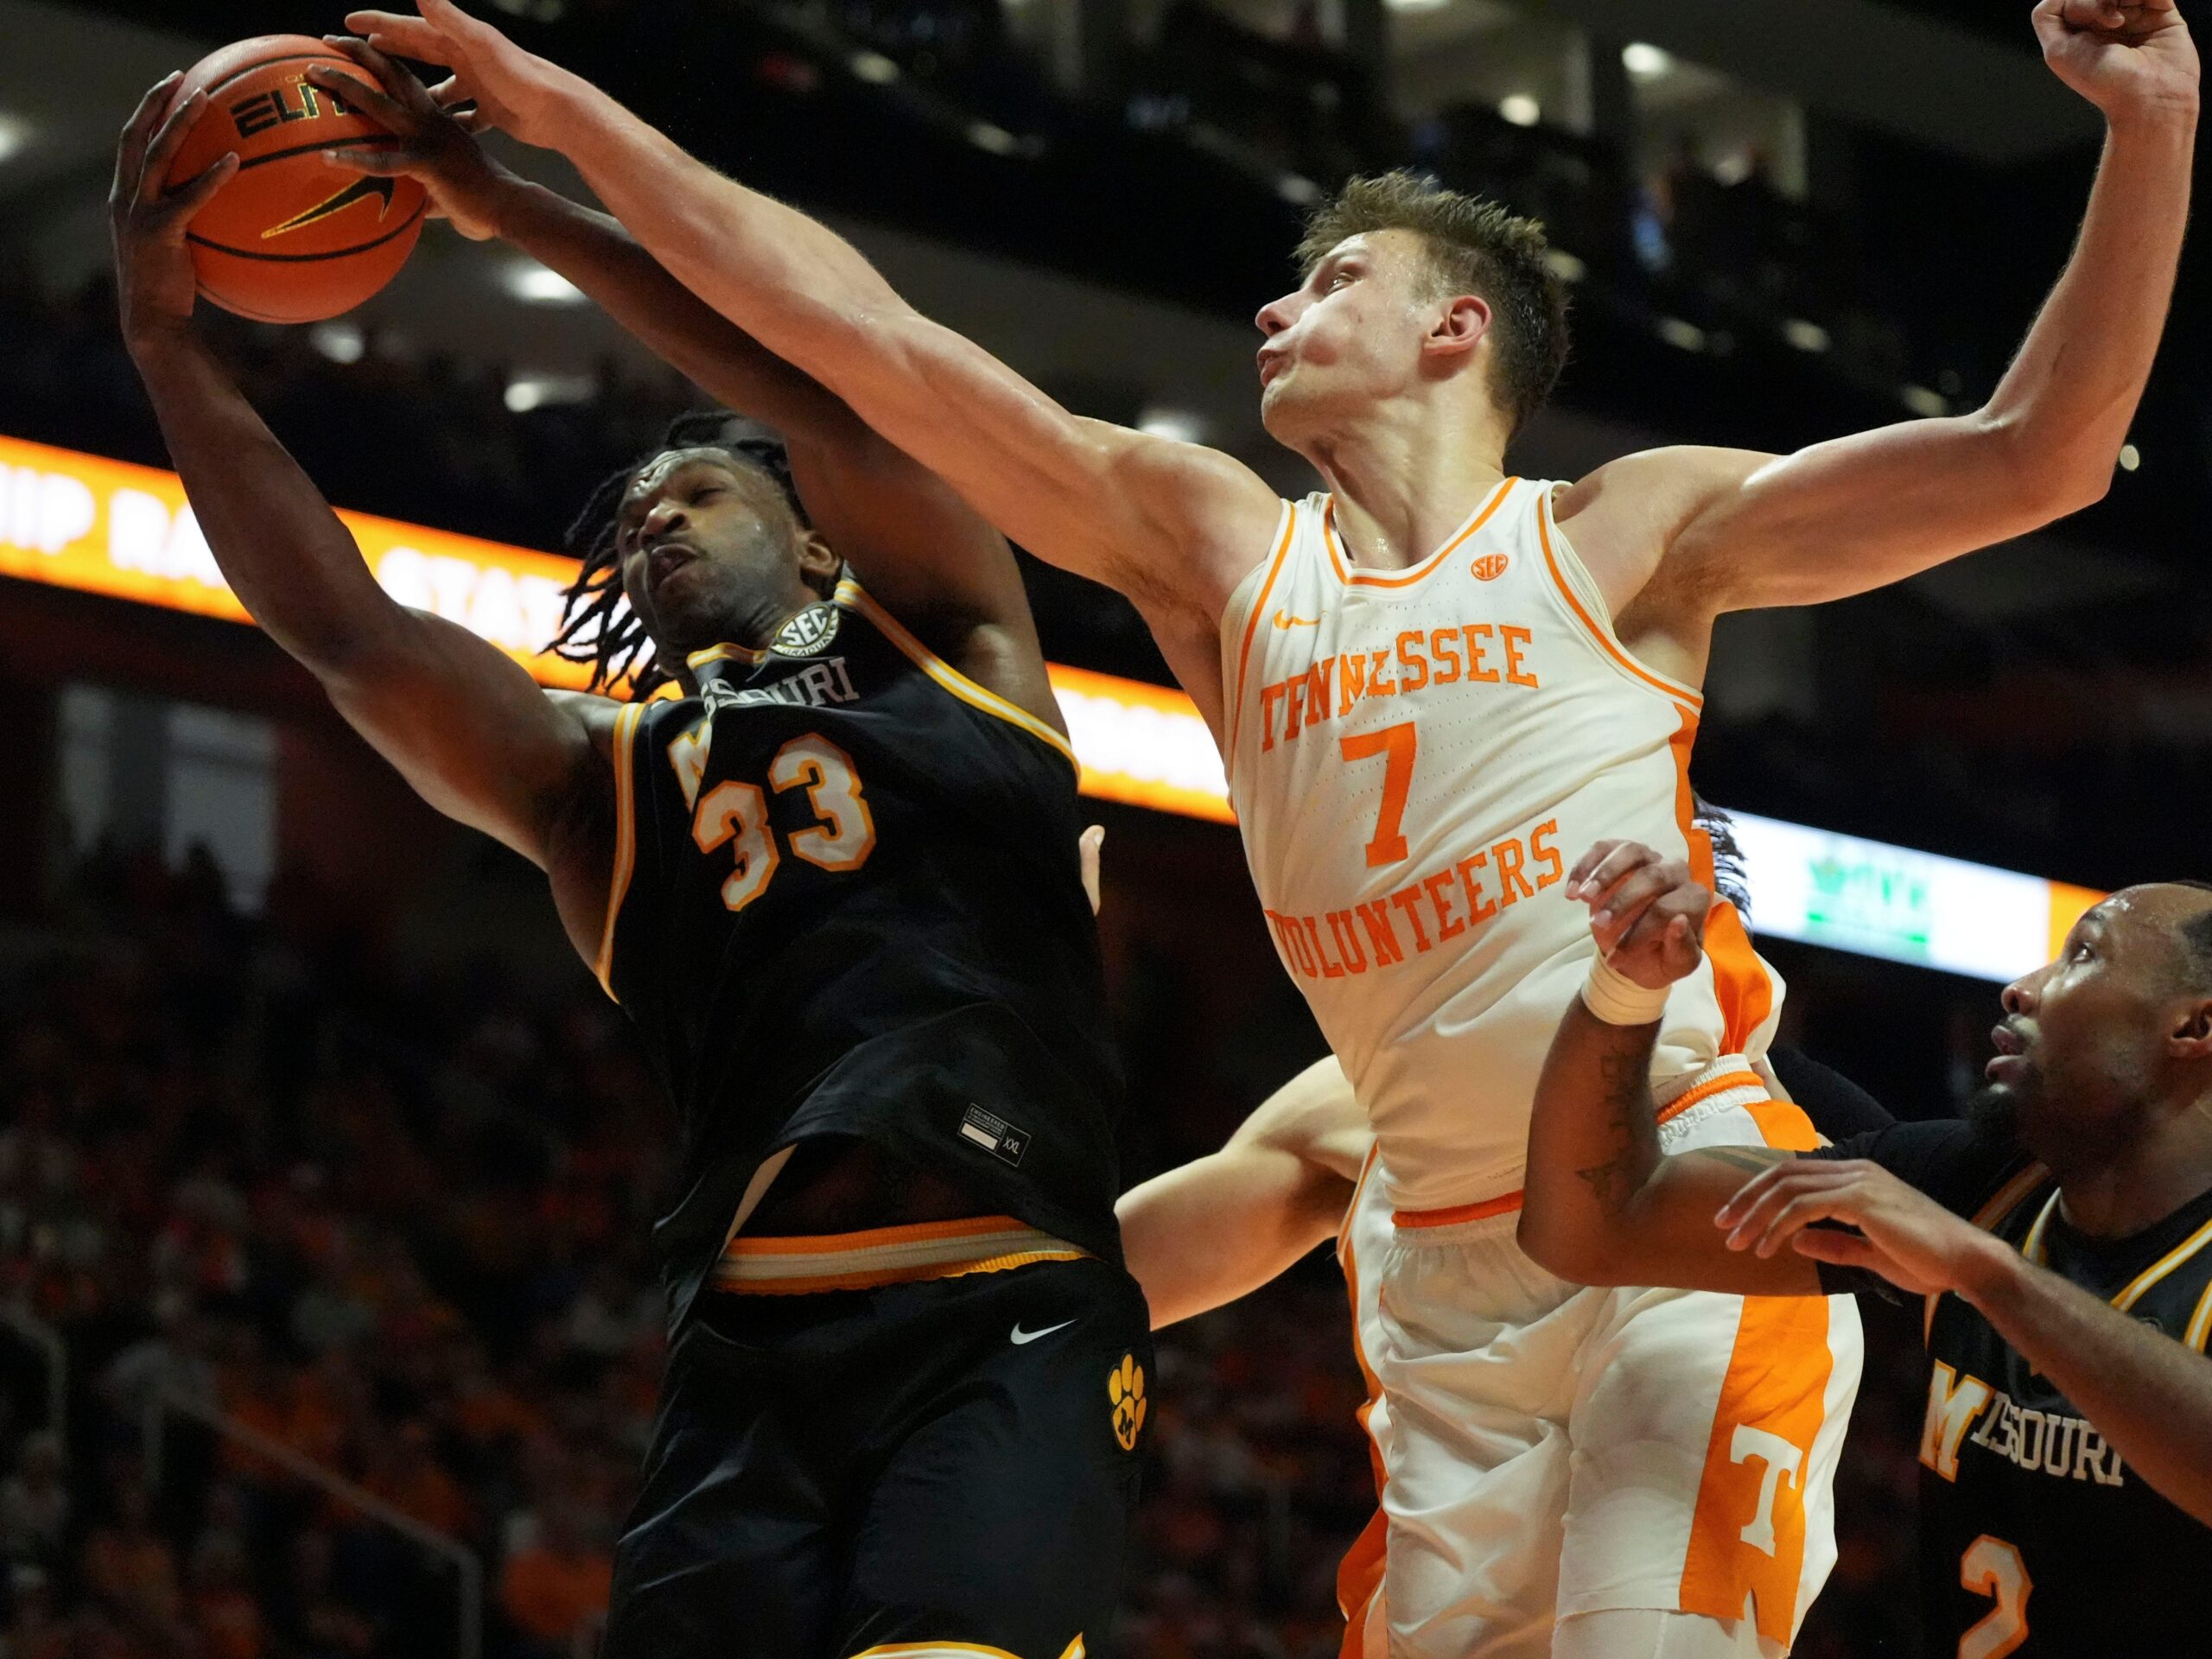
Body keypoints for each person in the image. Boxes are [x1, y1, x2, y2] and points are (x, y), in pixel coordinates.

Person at [338, 4, 2196, 1652]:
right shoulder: (1214, 546)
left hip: (1678, 1211)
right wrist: (549, 160)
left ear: (1452, 329)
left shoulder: (1623, 535)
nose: (1269, 308)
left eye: (1326, 284)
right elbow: (855, 343)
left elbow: (2035, 448)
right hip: (1430, 1253)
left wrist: (2146, 124)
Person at [111, 60, 1149, 1659]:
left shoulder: (955, 641)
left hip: (998, 1292)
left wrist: (509, 204)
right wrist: (166, 350)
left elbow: (818, 384)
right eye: (633, 517)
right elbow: (343, 632)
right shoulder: (594, 786)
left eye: (700, 492)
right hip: (748, 1349)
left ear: (812, 537)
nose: (654, 522)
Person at [1519, 838, 2212, 1655]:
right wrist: (1627, 990)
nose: (2022, 987)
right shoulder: (1985, 1184)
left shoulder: (1983, 1240)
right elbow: (1594, 1227)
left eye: (2082, 955)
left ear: (2196, 1024)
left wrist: (1983, 1272)